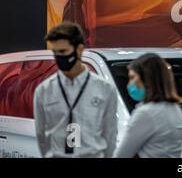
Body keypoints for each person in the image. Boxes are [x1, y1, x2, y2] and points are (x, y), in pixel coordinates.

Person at [33, 22, 118, 158]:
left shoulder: (105, 89)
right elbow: (41, 137)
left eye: (63, 51)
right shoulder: (43, 91)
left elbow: (110, 135)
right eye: (55, 53)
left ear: (79, 49)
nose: (58, 57)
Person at [114, 53, 182, 158]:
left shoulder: (146, 113)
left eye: (132, 77)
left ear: (146, 79)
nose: (129, 84)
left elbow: (121, 155)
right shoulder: (174, 108)